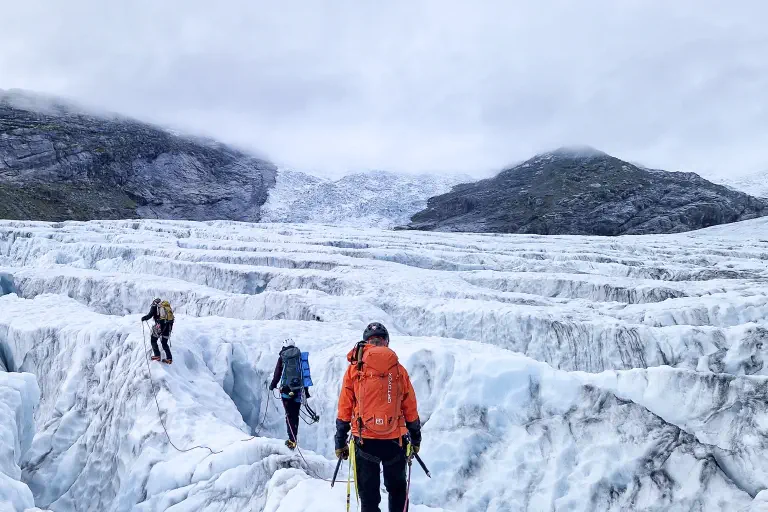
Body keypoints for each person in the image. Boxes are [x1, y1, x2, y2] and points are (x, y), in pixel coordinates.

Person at [334, 322, 422, 512]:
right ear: (386, 342)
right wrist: (415, 438)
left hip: (364, 440)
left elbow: (344, 407)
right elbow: (410, 407)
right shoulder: (399, 370)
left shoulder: (354, 370)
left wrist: (339, 441)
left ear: (366, 343)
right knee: (398, 492)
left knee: (369, 499)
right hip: (394, 441)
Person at [270, 339, 311, 449]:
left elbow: (277, 374)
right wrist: (306, 391)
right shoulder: (300, 357)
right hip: (298, 390)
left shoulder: (282, 357)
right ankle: (294, 438)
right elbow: (305, 374)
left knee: (289, 416)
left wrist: (273, 385)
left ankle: (291, 440)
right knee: (295, 415)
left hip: (286, 391)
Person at [141, 298, 174, 364]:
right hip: (168, 326)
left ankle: (157, 356)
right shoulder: (166, 308)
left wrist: (143, 318)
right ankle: (169, 358)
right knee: (164, 343)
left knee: (153, 340)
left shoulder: (155, 306)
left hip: (159, 326)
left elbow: (149, 315)